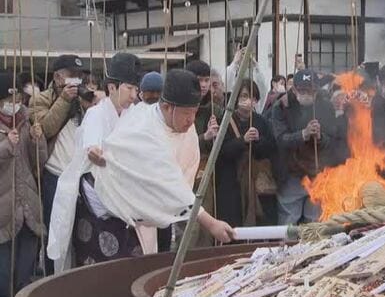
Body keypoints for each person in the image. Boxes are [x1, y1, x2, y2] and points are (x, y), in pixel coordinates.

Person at [48, 69, 233, 271]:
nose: (191, 120)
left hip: (143, 213)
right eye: (187, 114)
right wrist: (210, 222)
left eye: (195, 112)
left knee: (140, 270)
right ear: (167, 107)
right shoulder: (143, 127)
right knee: (108, 274)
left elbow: (182, 175)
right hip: (108, 203)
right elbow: (169, 182)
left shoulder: (182, 127)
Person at [48, 52, 142, 271]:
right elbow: (92, 150)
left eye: (136, 89)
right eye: (129, 88)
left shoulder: (136, 115)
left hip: (126, 202)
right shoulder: (96, 114)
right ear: (112, 87)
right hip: (96, 200)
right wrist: (98, 154)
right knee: (95, 268)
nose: (134, 95)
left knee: (131, 266)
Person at [30, 54, 86, 274]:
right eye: (72, 76)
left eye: (80, 76)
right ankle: (53, 277)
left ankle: (78, 276)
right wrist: (63, 99)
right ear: (57, 76)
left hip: (80, 174)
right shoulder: (40, 99)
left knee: (81, 232)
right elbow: (45, 129)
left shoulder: (82, 97)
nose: (76, 81)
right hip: (55, 175)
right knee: (55, 231)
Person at [0, 73, 47, 297]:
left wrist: (38, 141)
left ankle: (20, 293)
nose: (15, 101)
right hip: (3, 201)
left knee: (28, 248)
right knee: (4, 253)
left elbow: (39, 163)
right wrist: (7, 145)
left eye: (18, 96)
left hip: (27, 197)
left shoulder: (27, 121)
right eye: (9, 97)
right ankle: (3, 295)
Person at [271, 69, 336, 224]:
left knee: (314, 221)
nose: (307, 94)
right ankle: (286, 247)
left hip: (317, 172)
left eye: (311, 90)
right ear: (294, 89)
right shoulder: (281, 106)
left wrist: (320, 137)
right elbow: (280, 139)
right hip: (291, 173)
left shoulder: (326, 106)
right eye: (302, 90)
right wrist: (303, 134)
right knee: (289, 221)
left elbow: (333, 141)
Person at [215, 79, 276, 226]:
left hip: (256, 180)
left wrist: (257, 140)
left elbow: (271, 148)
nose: (248, 100)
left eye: (252, 97)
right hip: (231, 181)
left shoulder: (262, 121)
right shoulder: (225, 120)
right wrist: (243, 140)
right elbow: (220, 151)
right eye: (243, 96)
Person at [224, 47, 268, 112]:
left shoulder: (256, 77)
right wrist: (235, 63)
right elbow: (225, 86)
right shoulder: (233, 76)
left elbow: (263, 88)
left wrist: (256, 65)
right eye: (242, 54)